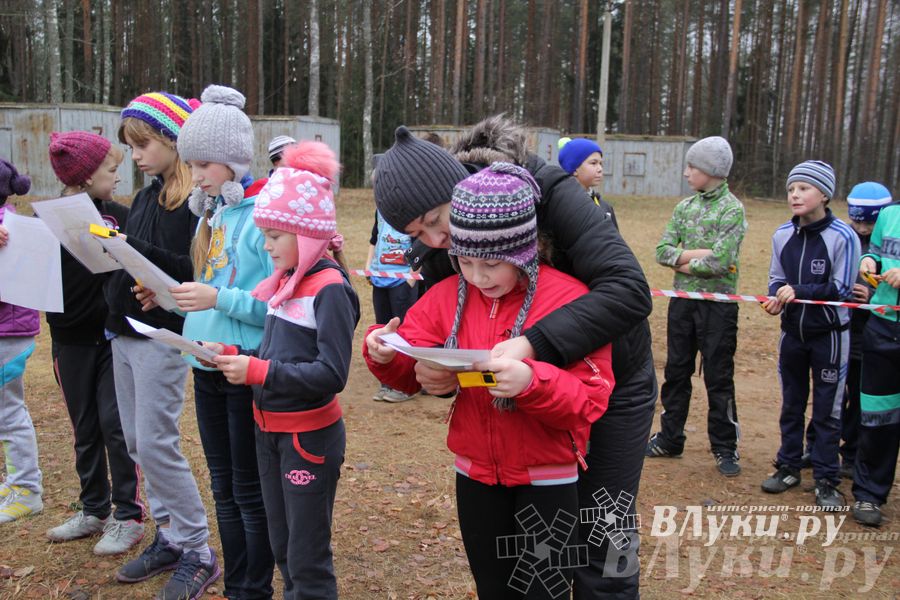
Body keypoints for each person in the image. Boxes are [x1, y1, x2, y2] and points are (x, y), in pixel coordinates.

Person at [374, 116, 657, 599]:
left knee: (604, 534)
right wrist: (436, 372)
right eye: (415, 233)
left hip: (613, 380)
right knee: (536, 555)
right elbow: (464, 319)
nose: (435, 241)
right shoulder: (455, 242)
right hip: (529, 401)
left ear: (456, 190)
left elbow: (630, 291)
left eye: (435, 222)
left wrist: (533, 344)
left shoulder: (551, 190)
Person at [202, 141, 358, 600]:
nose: (266, 246)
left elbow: (331, 374)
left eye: (274, 235)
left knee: (307, 557)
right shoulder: (284, 284)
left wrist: (257, 372)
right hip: (268, 434)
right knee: (283, 546)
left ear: (307, 235)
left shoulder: (329, 290)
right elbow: (279, 350)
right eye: (264, 234)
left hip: (307, 441)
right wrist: (229, 349)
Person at [108, 92, 220, 598]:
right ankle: (171, 537)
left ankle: (197, 547)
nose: (135, 155)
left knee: (156, 441)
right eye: (131, 147)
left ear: (175, 141)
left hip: (159, 336)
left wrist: (131, 251)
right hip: (123, 329)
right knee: (136, 441)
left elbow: (189, 274)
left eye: (143, 144)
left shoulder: (191, 208)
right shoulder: (145, 197)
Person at [173, 84, 275, 599]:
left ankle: (252, 588)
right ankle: (238, 582)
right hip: (204, 363)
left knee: (248, 490)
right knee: (221, 485)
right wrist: (175, 300)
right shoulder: (210, 214)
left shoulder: (262, 218)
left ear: (233, 160)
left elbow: (274, 306)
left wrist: (218, 300)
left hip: (244, 366)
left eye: (202, 165)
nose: (195, 176)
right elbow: (209, 287)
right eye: (191, 166)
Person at [44, 131, 143, 554]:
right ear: (84, 177)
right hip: (69, 342)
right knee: (84, 428)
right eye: (111, 169)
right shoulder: (44, 225)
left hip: (112, 338)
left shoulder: (120, 216)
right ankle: (93, 508)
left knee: (114, 426)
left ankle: (127, 515)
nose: (118, 177)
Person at [760, 160, 860, 510]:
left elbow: (843, 288)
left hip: (830, 337)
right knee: (791, 403)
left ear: (824, 194)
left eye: (803, 188)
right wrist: (776, 297)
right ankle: (788, 466)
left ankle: (826, 479)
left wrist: (794, 290)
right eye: (791, 189)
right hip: (792, 335)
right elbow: (776, 278)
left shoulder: (843, 236)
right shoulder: (781, 235)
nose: (795, 195)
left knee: (828, 411)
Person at [645, 136, 747, 476]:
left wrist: (682, 262)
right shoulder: (683, 208)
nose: (686, 172)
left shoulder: (732, 209)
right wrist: (692, 257)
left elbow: (722, 261)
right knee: (676, 372)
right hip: (682, 304)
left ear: (711, 170)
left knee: (718, 376)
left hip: (718, 307)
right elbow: (662, 250)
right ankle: (670, 438)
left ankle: (725, 446)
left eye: (692, 167)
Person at [851, 190, 899, 527]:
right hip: (882, 327)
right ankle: (869, 494)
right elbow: (878, 255)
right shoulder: (889, 215)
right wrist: (870, 262)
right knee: (878, 416)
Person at [0, 158, 43, 524]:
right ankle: (16, 480)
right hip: (8, 330)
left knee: (9, 414)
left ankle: (27, 489)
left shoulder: (7, 230)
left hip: (7, 334)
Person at [366, 208, 417, 402]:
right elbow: (374, 238)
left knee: (403, 331)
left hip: (402, 280)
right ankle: (387, 382)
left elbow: (421, 244)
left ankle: (404, 386)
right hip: (379, 278)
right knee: (382, 329)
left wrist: (411, 279)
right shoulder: (380, 211)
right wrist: (368, 267)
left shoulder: (410, 211)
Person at [557, 136, 616, 226]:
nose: (600, 169)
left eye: (601, 163)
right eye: (593, 163)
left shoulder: (605, 208)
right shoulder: (561, 206)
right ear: (575, 169)